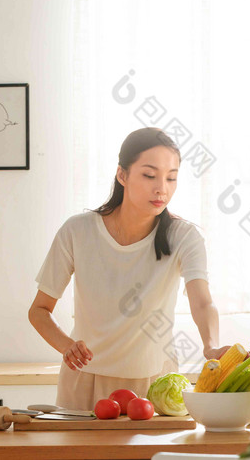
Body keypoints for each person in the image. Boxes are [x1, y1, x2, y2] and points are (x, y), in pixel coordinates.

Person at [28, 127, 231, 410]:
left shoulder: (184, 237)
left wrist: (210, 346)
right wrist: (66, 345)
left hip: (155, 385)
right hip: (84, 383)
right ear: (122, 175)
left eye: (171, 178)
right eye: (150, 175)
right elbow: (38, 310)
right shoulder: (77, 231)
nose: (162, 188)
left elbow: (202, 301)